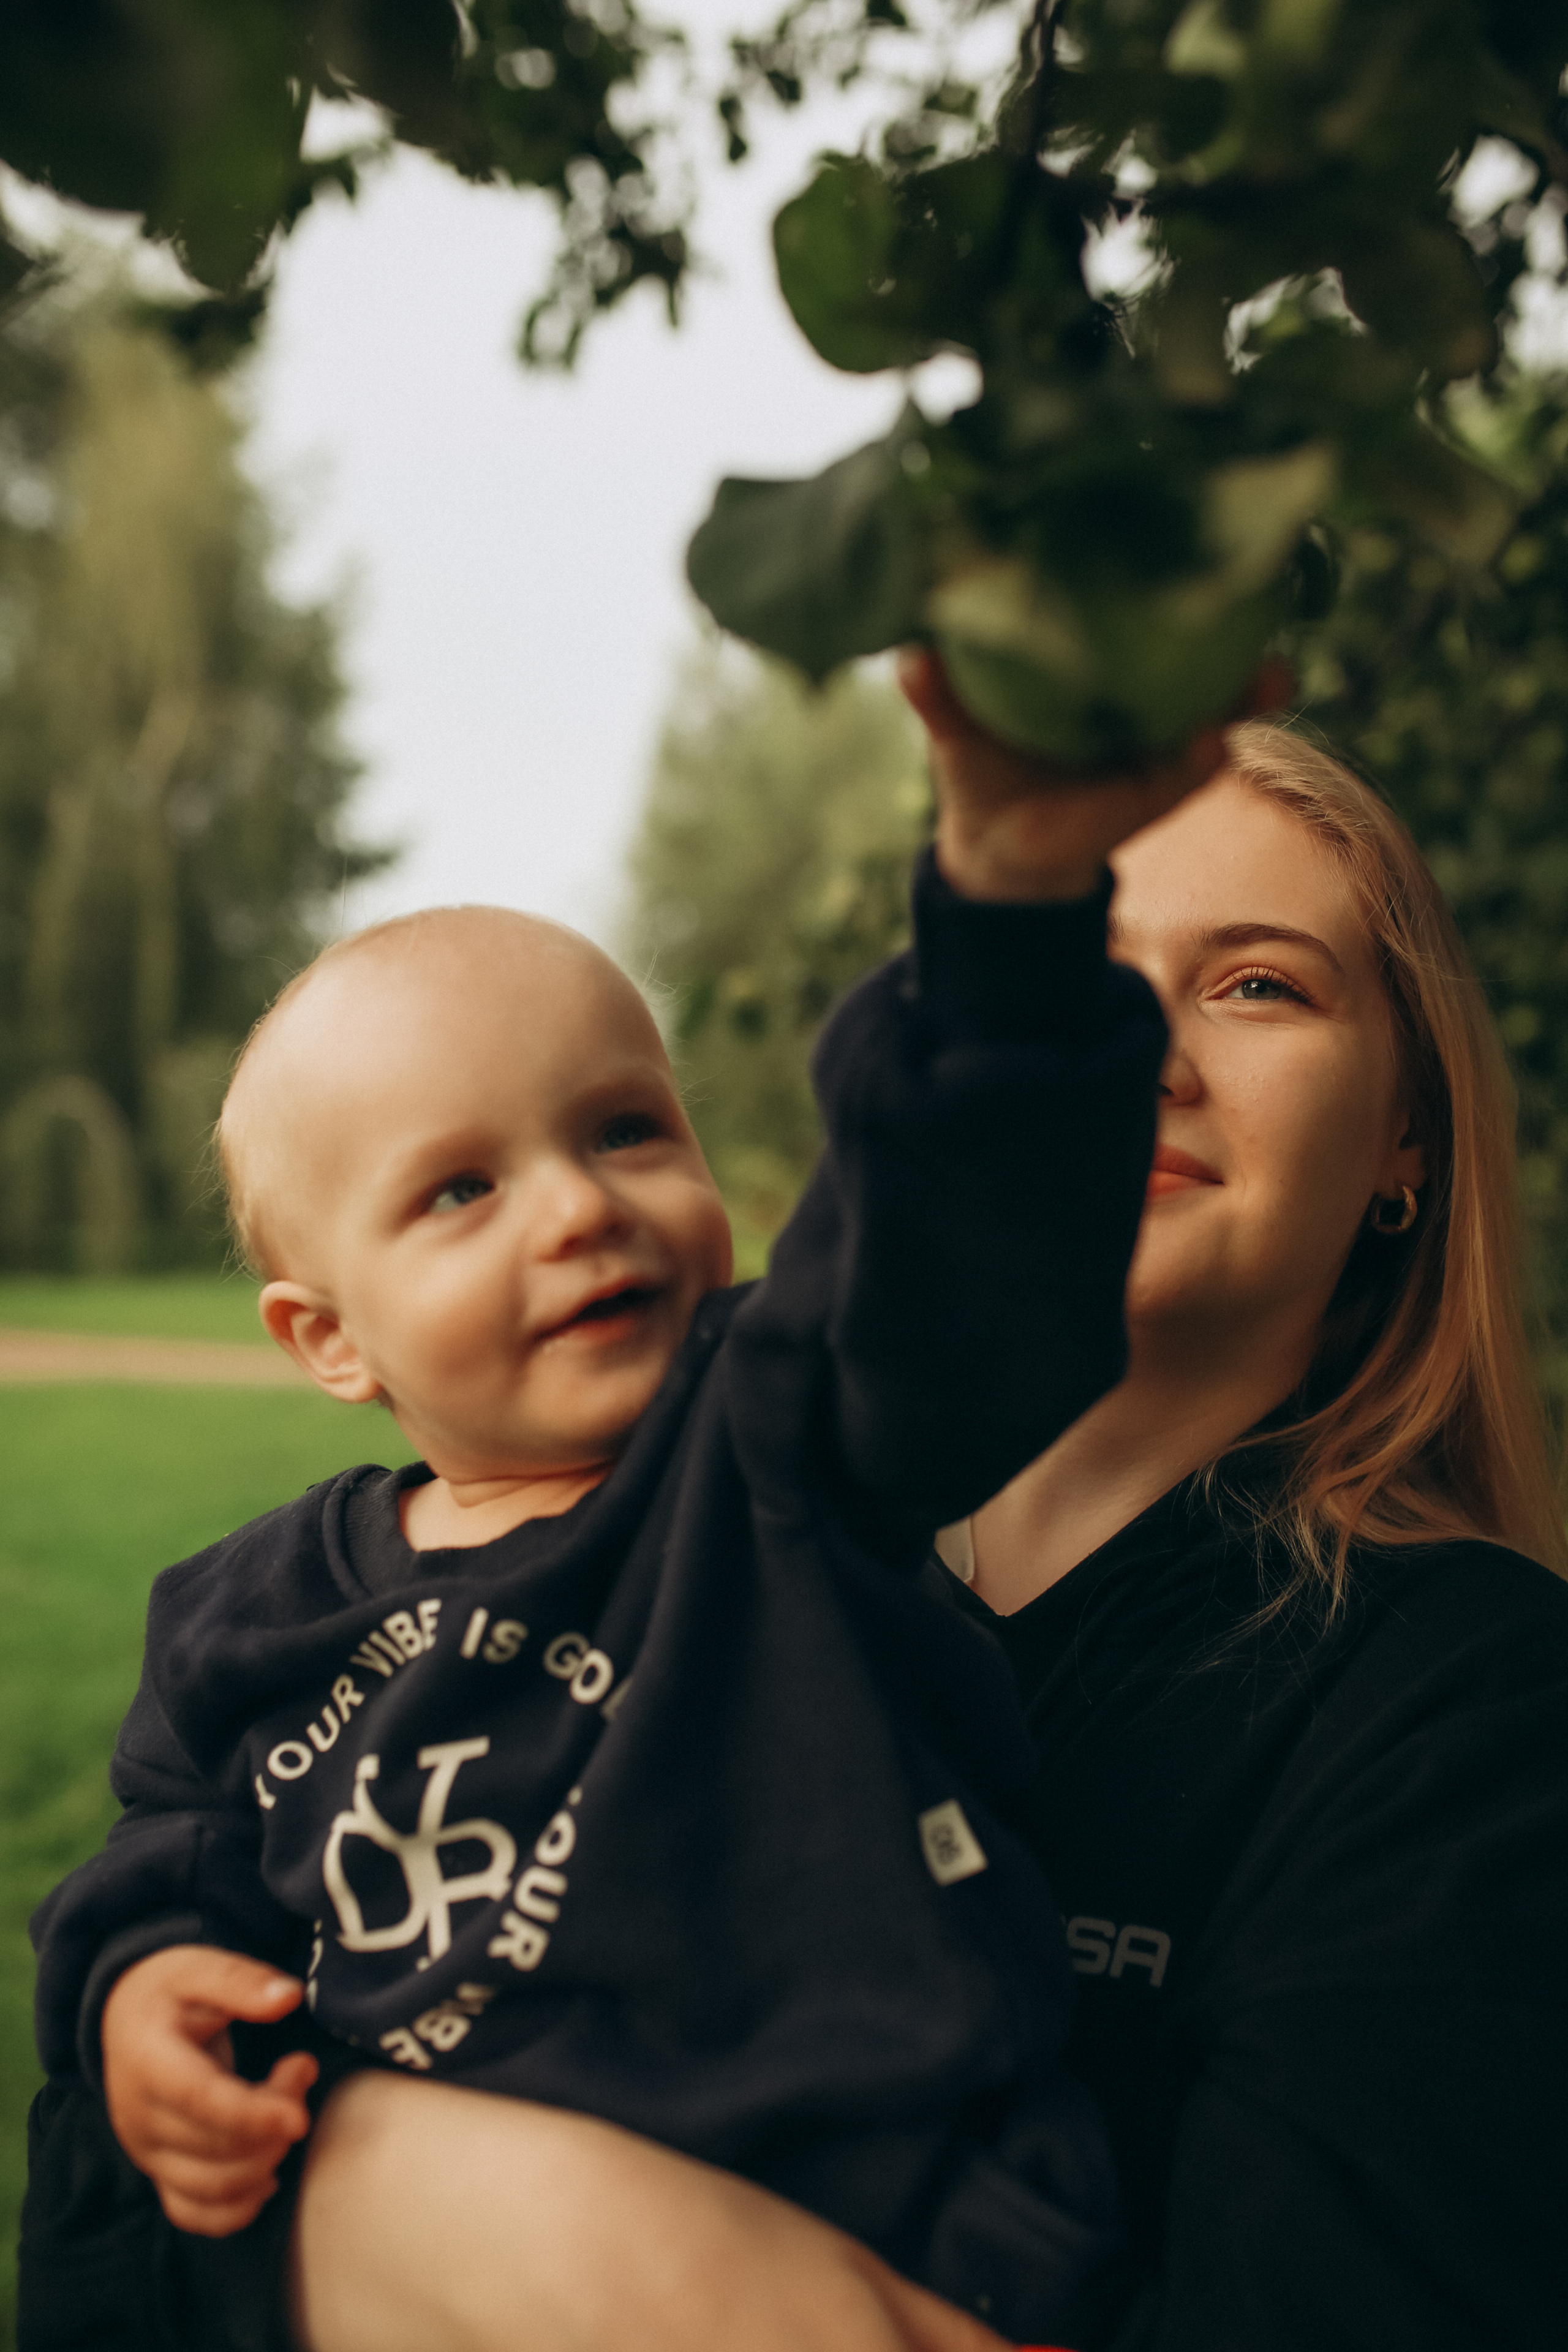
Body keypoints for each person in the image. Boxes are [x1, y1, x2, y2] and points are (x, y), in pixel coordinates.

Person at [268, 663, 1567, 2352]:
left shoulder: (1476, 1712)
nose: (1143, 1059)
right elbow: (117, 2204)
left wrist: (400, 2179)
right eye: (1081, 988)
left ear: (1406, 1134)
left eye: (1256, 984)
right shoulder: (677, 1545)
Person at [21, 682, 1235, 2352]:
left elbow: (962, 1257)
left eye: (628, 1130)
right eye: (464, 1188)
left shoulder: (775, 1442)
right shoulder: (247, 1615)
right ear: (329, 1337)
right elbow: (170, 1870)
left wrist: (1012, 934)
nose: (583, 1206)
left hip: (885, 2234)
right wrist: (141, 1997)